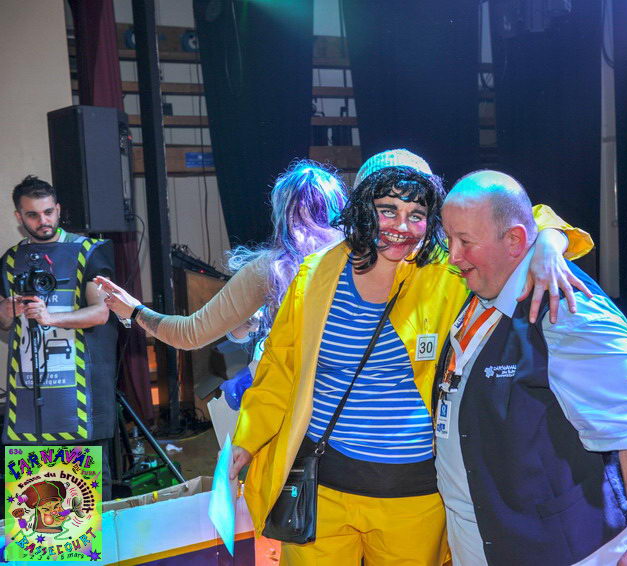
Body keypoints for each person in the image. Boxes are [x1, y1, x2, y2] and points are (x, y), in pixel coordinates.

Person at [229, 149, 594, 565]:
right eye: (387, 210)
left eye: (416, 214)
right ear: (361, 207)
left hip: (413, 498)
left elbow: (512, 219)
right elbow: (279, 372)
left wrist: (549, 241)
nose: (401, 227)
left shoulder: (449, 273)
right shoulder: (316, 274)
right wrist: (246, 441)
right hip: (321, 491)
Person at [437, 170, 627, 566]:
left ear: (515, 241)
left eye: (465, 242)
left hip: (562, 549)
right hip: (489, 541)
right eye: (449, 239)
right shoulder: (489, 285)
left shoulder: (567, 309)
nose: (453, 256)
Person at [96, 160, 346, 355]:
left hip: (305, 400)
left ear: (282, 214)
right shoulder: (361, 261)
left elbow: (190, 334)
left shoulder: (270, 270)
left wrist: (135, 310)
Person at [0, 176, 117, 498]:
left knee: (85, 500)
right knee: (34, 504)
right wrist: (7, 312)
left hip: (80, 393)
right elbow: (4, 324)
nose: (43, 221)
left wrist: (51, 318)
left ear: (58, 209)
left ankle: (90, 536)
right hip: (27, 395)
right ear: (19, 217)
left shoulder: (89, 251)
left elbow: (101, 312)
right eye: (33, 215)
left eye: (48, 212)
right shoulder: (10, 260)